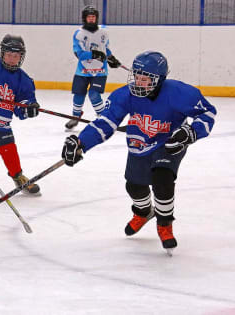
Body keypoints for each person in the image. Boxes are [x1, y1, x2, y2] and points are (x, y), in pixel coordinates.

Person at [61, 51, 217, 254]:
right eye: (137, 77)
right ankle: (144, 212)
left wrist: (190, 132)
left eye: (146, 79)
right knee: (134, 186)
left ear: (160, 79)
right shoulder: (125, 94)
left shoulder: (179, 93)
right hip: (140, 142)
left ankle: (164, 224)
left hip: (169, 142)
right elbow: (106, 122)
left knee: (162, 178)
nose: (139, 83)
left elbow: (207, 112)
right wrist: (81, 142)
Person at [0, 34, 41, 195]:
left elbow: (22, 107)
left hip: (0, 122)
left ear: (21, 57)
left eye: (16, 56)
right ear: (2, 53)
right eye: (9, 55)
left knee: (9, 148)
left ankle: (17, 176)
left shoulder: (24, 80)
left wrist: (29, 108)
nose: (12, 59)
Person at [65, 5, 121, 130]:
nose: (91, 19)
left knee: (94, 94)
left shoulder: (103, 32)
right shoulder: (79, 34)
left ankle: (104, 117)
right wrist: (94, 54)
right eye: (89, 17)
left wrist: (111, 58)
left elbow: (105, 48)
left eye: (93, 17)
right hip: (82, 71)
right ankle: (76, 116)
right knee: (79, 95)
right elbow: (79, 54)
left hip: (100, 71)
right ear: (84, 18)